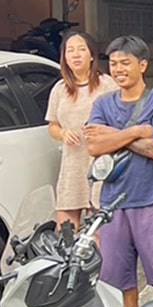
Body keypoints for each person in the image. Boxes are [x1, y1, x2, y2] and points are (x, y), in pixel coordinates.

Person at [85, 35, 153, 307]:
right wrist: (137, 132)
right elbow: (94, 146)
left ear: (142, 65)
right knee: (116, 282)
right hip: (112, 205)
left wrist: (113, 136)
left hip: (152, 200)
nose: (118, 69)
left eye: (125, 63)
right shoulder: (103, 104)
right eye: (114, 64)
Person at [46, 31, 119, 229]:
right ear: (64, 58)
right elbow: (52, 126)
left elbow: (121, 122)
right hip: (72, 165)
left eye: (81, 49)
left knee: (98, 230)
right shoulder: (59, 88)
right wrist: (63, 133)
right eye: (70, 51)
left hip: (100, 163)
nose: (76, 55)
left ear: (92, 55)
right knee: (65, 231)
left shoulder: (107, 84)